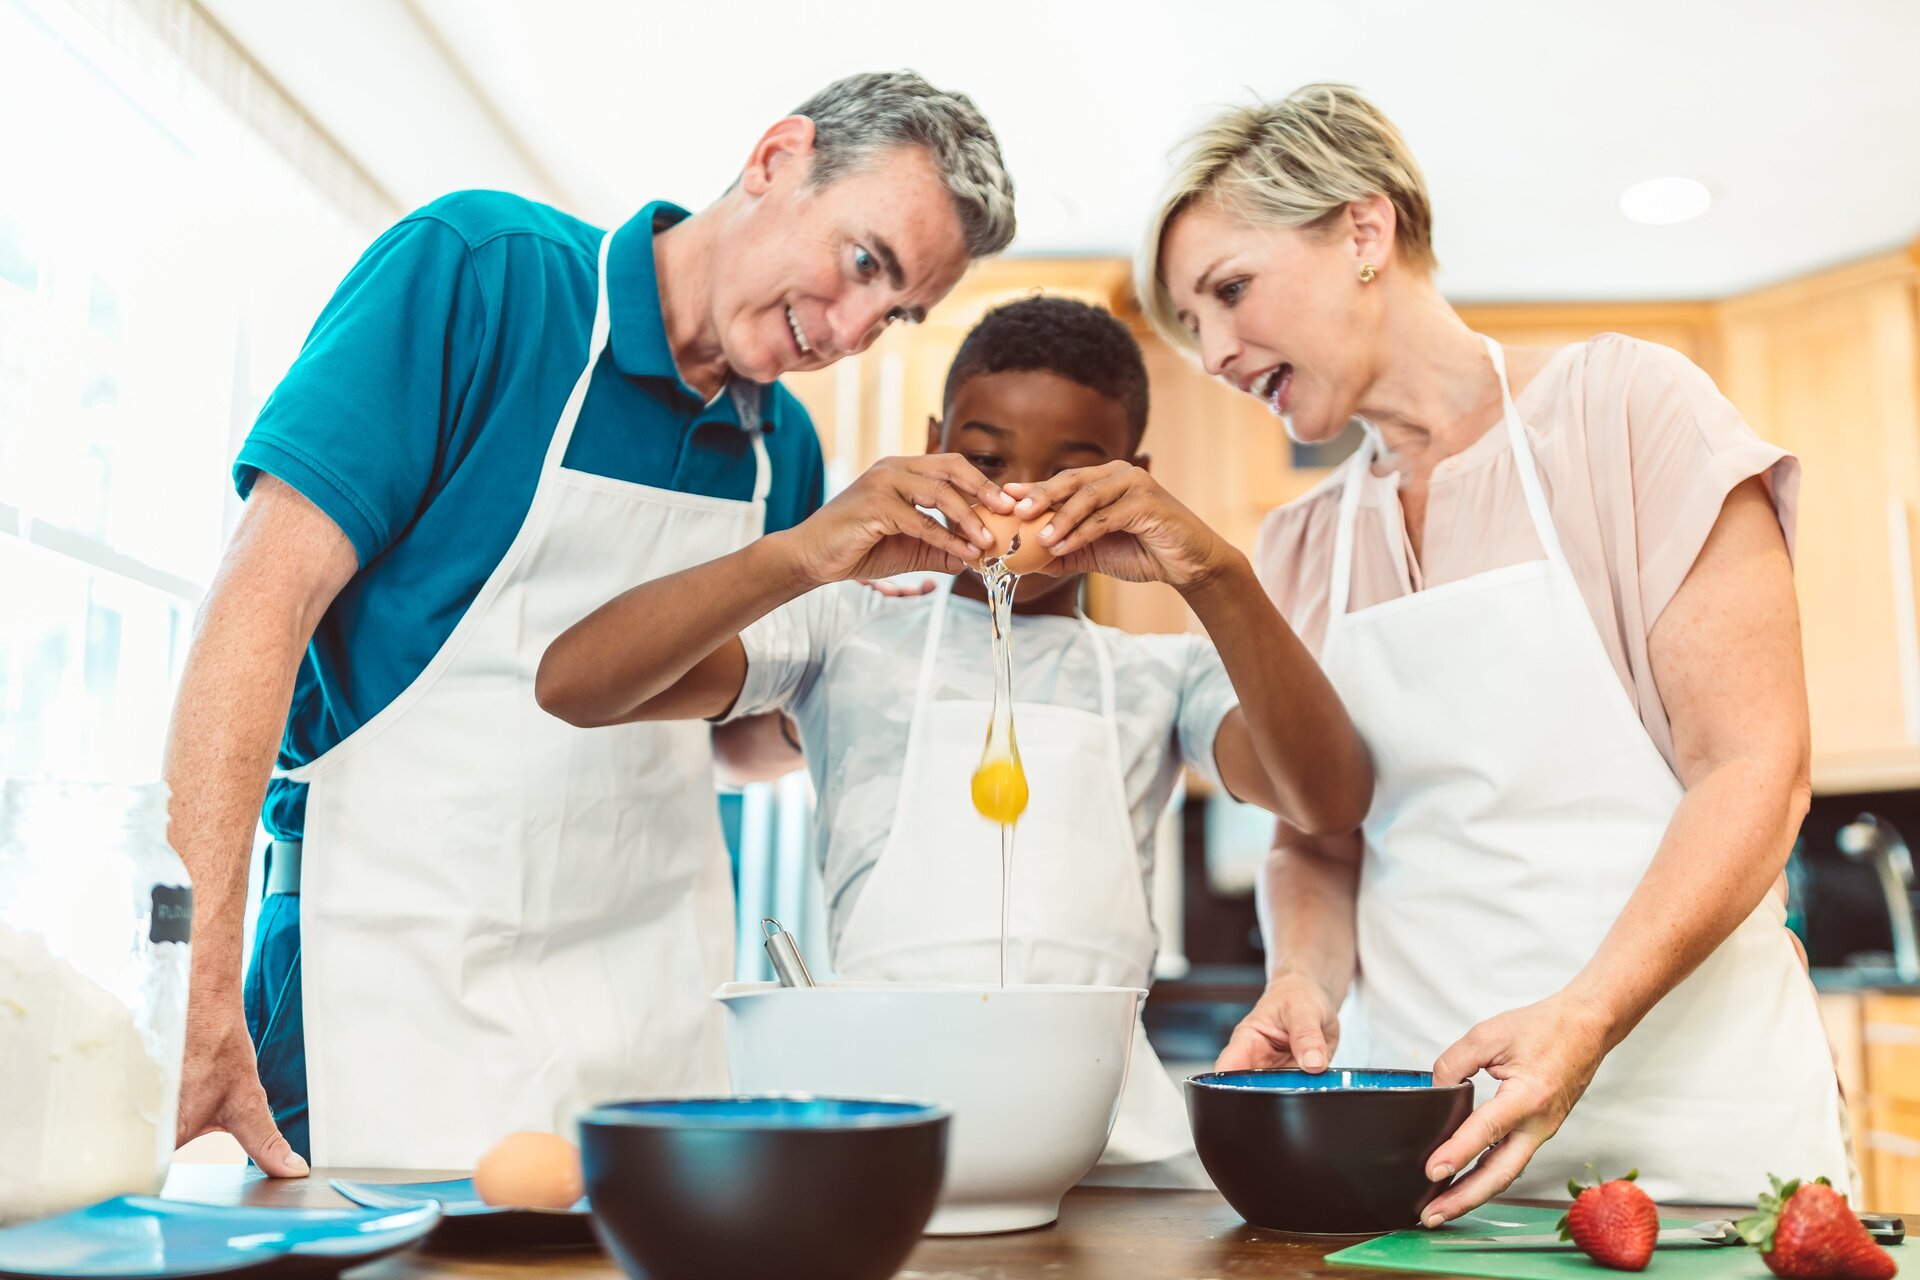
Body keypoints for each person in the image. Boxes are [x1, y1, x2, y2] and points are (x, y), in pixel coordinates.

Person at [162, 70, 1017, 1172]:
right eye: (864, 263)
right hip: (383, 980)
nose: (852, 331)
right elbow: (258, 604)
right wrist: (198, 972)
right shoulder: (483, 276)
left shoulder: (784, 454)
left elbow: (732, 737)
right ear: (776, 160)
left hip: (650, 1019)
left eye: (895, 313)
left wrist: (860, 667)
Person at [1139, 81, 1851, 1217]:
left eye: (1229, 291)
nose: (1215, 351)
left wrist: (1583, 1017)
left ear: (1364, 232)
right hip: (1426, 1157)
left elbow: (1753, 767)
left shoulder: (1627, 410)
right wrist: (1301, 978)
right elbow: (1318, 843)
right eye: (1191, 325)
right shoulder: (1301, 544)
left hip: (1701, 1145)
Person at [537, 295, 1370, 1184]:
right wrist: (802, 555)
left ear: (1136, 479)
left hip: (1105, 1150)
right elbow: (577, 686)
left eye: (1071, 472)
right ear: (934, 442)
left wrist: (1213, 573)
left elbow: (1327, 799)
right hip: (881, 1136)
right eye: (983, 458)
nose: (1018, 493)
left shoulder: (1161, 675)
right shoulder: (842, 634)